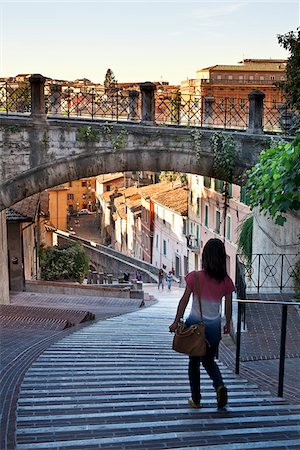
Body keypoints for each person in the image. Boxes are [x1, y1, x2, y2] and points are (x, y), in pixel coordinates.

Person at [169, 238, 235, 409]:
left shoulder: (195, 277)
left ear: (205, 256)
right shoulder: (226, 281)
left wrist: (176, 321)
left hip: (194, 327)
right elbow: (228, 306)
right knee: (209, 361)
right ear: (222, 258)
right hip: (213, 330)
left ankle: (196, 399)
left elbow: (183, 301)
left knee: (193, 363)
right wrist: (228, 323)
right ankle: (219, 386)